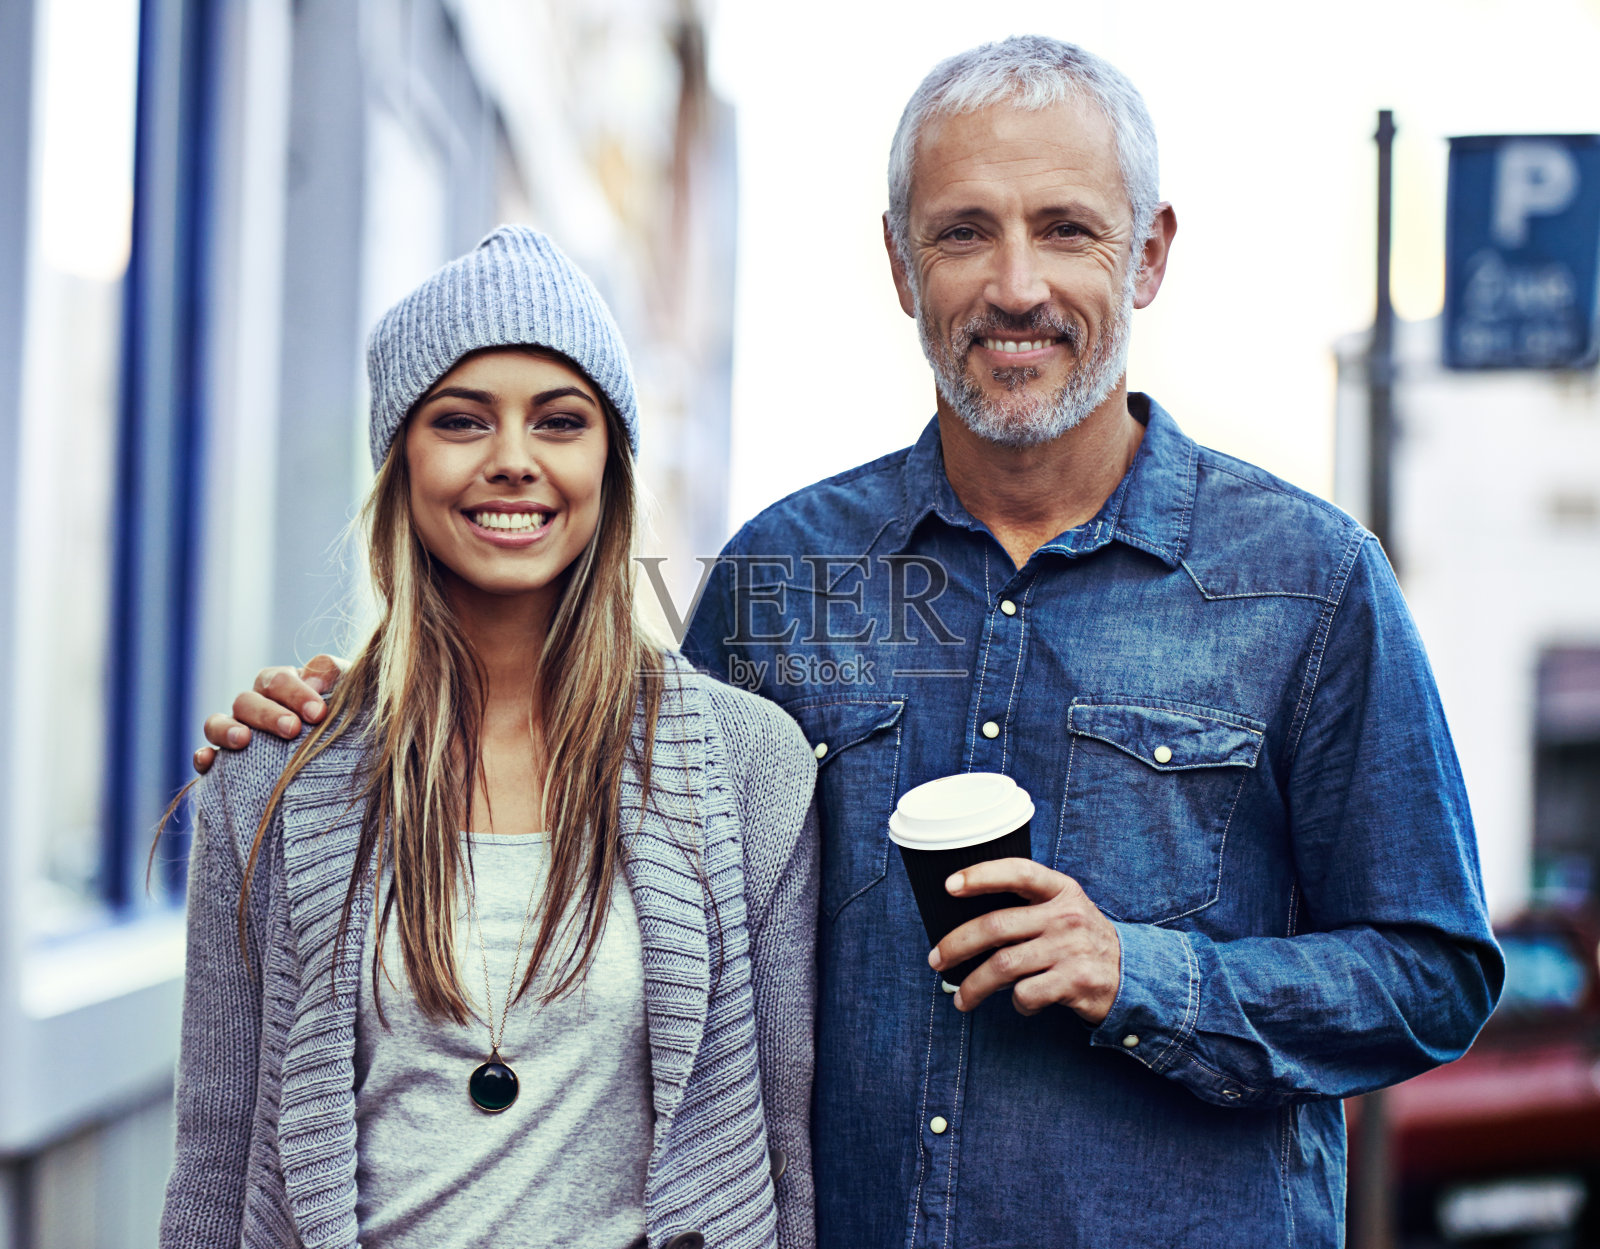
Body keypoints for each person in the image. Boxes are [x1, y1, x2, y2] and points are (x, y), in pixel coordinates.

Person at [199, 38, 1504, 1249]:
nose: (1015, 284)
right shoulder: (781, 574)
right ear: (897, 264)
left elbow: (1435, 972)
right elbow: (607, 853)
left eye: (1066, 230)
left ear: (1149, 255)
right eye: (963, 233)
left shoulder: (1307, 584)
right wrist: (353, 724)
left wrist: (1144, 973)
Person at [164, 226, 818, 1249]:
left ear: (610, 462)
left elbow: (778, 1160)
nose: (513, 461)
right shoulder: (271, 778)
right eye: (462, 420)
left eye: (559, 422)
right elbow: (214, 1155)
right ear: (401, 458)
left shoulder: (750, 769)